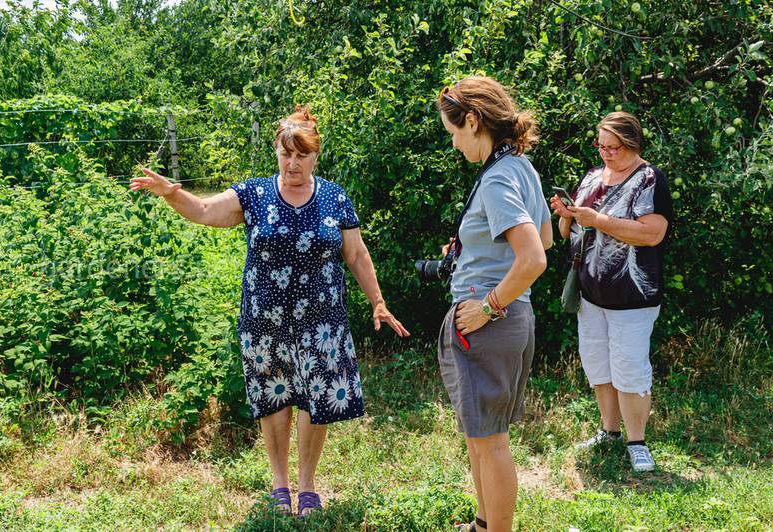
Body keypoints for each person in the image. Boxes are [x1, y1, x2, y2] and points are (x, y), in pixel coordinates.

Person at [130, 105, 409, 516]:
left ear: (316, 156)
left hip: (321, 320)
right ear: (276, 151)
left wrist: (378, 301)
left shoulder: (335, 197)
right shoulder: (254, 195)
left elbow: (355, 253)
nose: (292, 163)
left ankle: (308, 486)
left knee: (317, 400)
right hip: (266, 319)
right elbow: (205, 211)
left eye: (301, 155)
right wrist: (172, 191)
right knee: (275, 398)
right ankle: (280, 484)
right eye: (285, 154)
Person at [436, 76, 552, 532]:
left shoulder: (498, 177)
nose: (454, 145)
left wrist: (487, 306)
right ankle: (483, 524)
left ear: (472, 120)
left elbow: (534, 257)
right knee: (480, 437)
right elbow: (542, 234)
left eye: (453, 133)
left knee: (491, 442)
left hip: (489, 323)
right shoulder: (519, 166)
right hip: (509, 319)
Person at [549, 111, 672, 472]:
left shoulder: (649, 179)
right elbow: (565, 234)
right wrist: (567, 214)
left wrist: (597, 219)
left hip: (633, 296)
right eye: (600, 145)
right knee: (598, 366)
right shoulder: (591, 177)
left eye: (612, 147)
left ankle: (638, 442)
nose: (605, 153)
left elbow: (652, 233)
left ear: (631, 143)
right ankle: (610, 432)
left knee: (630, 370)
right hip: (591, 294)